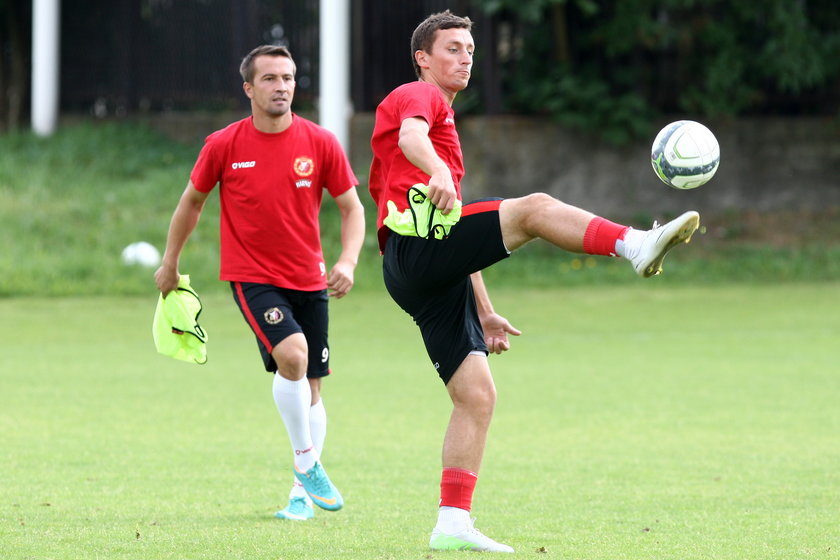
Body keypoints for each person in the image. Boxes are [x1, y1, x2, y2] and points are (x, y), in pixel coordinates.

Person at [368, 11, 700, 553]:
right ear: (423, 59)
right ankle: (634, 244)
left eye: (471, 48)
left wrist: (485, 308)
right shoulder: (418, 96)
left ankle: (451, 524)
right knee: (535, 209)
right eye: (452, 48)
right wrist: (436, 172)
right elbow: (409, 137)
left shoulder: (445, 124)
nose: (466, 56)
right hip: (413, 250)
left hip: (417, 272)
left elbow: (456, 234)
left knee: (475, 396)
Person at [155, 45, 365, 522]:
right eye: (270, 79)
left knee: (312, 385)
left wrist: (348, 261)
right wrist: (170, 262)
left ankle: (299, 493)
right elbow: (192, 203)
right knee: (292, 356)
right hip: (252, 277)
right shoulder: (224, 144)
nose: (282, 87)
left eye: (288, 78)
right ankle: (309, 464)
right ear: (249, 88)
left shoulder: (321, 142)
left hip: (309, 279)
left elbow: (352, 208)